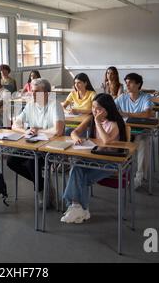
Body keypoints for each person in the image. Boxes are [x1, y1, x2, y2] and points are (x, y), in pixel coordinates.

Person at [61, 93, 127, 223]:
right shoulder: (91, 119)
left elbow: (106, 141)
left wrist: (97, 121)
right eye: (93, 108)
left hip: (111, 163)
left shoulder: (114, 124)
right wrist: (77, 138)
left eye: (99, 109)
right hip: (94, 159)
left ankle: (78, 208)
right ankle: (79, 208)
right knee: (77, 169)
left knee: (79, 174)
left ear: (108, 109)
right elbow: (74, 132)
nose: (95, 111)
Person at [8, 78, 65, 207]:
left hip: (51, 146)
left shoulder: (54, 105)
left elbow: (58, 131)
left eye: (37, 91)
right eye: (32, 91)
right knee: (11, 161)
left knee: (31, 162)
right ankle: (43, 185)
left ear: (46, 93)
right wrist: (26, 130)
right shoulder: (30, 105)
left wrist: (38, 131)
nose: (33, 94)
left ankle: (40, 191)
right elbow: (15, 125)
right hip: (33, 143)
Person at [115, 73, 154, 190]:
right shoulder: (122, 97)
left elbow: (147, 114)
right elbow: (110, 107)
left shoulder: (145, 97)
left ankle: (139, 176)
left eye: (130, 82)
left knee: (142, 142)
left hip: (141, 131)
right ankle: (117, 171)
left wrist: (126, 114)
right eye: (126, 82)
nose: (127, 84)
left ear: (138, 84)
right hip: (126, 131)